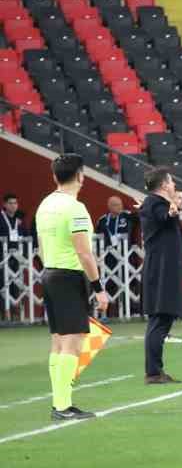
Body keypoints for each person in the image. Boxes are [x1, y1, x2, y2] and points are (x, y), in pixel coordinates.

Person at [35, 154, 108, 420]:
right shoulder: (75, 208)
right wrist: (98, 287)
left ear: (55, 177)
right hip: (68, 276)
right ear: (80, 176)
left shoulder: (45, 204)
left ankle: (60, 401)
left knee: (57, 342)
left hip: (50, 273)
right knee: (73, 343)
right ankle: (62, 406)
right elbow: (84, 253)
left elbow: (41, 247)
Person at [138, 168, 182, 384]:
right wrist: (172, 211)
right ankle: (153, 372)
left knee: (162, 318)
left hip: (164, 268)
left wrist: (173, 209)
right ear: (165, 185)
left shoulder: (152, 203)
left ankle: (155, 370)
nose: (174, 185)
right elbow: (163, 215)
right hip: (162, 269)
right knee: (160, 318)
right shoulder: (155, 204)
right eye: (172, 182)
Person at [1, 191, 34, 321]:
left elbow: (26, 236)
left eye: (15, 203)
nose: (13, 206)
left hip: (18, 259)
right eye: (10, 203)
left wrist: (26, 256)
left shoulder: (20, 220)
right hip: (3, 258)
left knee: (17, 285)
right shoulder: (1, 218)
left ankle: (17, 313)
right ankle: (5, 312)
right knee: (3, 284)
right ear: (5, 204)